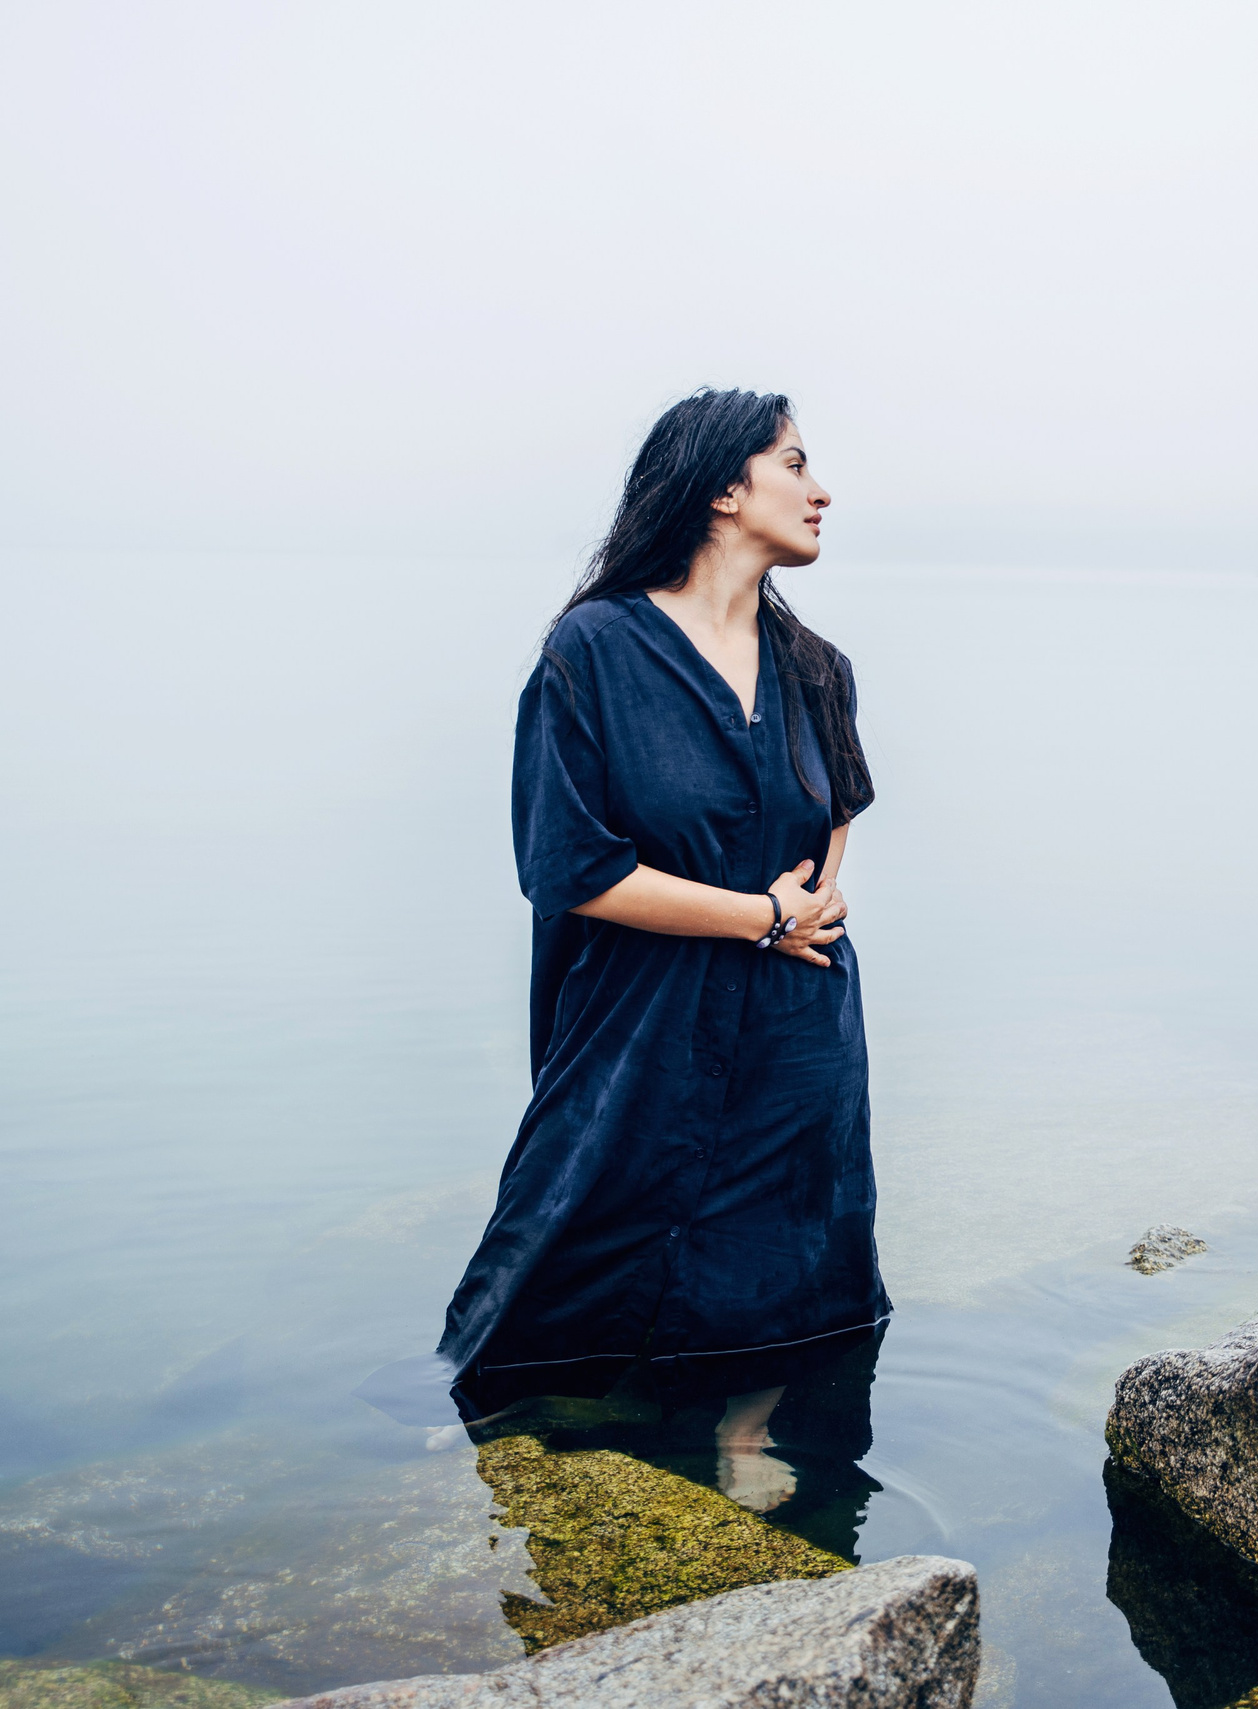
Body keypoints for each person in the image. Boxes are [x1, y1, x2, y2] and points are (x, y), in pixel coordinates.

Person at [436, 389, 886, 1511]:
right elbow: (569, 868)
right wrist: (759, 916)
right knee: (574, 1233)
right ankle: (508, 1425)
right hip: (638, 1022)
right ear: (723, 489)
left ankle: (744, 1427)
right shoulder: (594, 650)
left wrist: (795, 916)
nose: (821, 488)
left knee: (789, 1242)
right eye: (794, 462)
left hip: (797, 1023)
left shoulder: (818, 668)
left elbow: (829, 850)